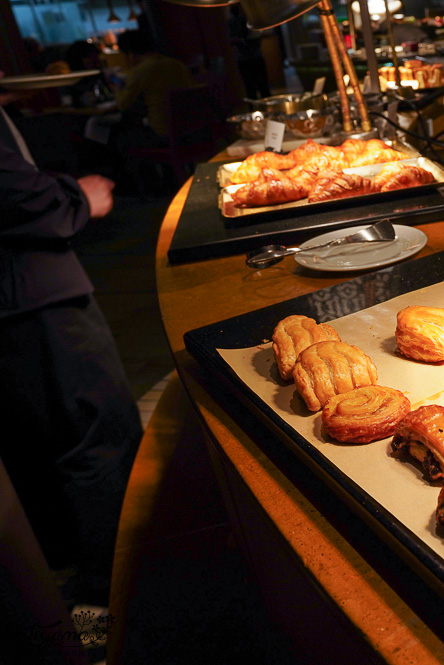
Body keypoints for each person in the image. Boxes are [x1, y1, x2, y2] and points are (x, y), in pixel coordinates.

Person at [0, 69, 143, 610]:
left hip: (23, 291)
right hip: (27, 292)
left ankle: (74, 572)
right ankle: (118, 585)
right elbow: (13, 192)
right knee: (96, 428)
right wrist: (77, 198)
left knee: (37, 440)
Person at [112, 29, 196, 150]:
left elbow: (123, 105)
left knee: (121, 139)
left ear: (130, 54)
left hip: (164, 134)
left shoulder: (139, 72)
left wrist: (117, 90)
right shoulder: (176, 64)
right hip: (195, 128)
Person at [228, 5, 271, 100]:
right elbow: (230, 40)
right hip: (245, 58)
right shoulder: (232, 22)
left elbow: (260, 36)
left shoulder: (250, 20)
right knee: (252, 88)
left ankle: (267, 108)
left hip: (253, 57)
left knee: (261, 87)